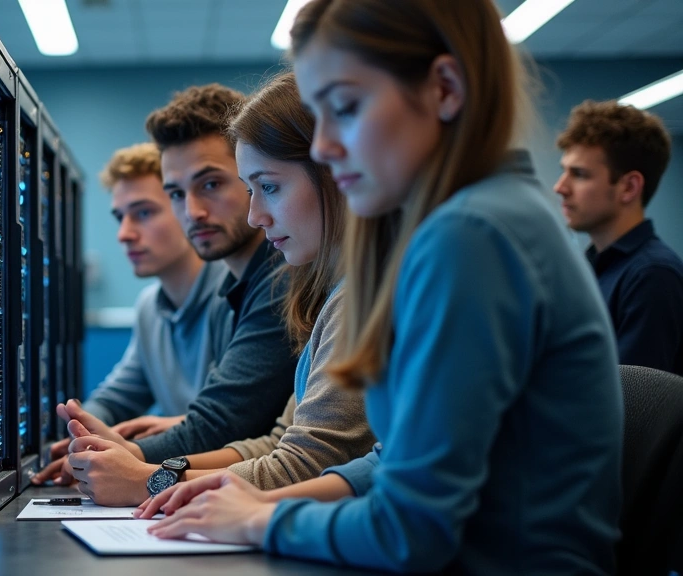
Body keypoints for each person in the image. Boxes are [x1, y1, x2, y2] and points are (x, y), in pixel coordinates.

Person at [138, 1, 623, 574]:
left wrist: (257, 520)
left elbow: (411, 529)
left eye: (345, 108)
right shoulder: (478, 220)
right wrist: (262, 499)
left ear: (444, 89)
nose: (323, 148)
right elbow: (397, 461)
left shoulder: (471, 235)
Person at [63, 73, 375, 506]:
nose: (255, 215)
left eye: (267, 187)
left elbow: (299, 459)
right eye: (175, 193)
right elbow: (279, 442)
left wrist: (146, 478)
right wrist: (147, 468)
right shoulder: (316, 291)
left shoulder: (346, 293)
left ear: (335, 172)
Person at [33, 84, 298, 483]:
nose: (192, 211)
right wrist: (91, 435)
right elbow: (265, 441)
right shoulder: (236, 286)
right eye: (176, 193)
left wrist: (136, 464)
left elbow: (227, 427)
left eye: (210, 184)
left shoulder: (281, 278)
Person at [33, 143, 230, 486]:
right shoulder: (149, 307)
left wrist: (125, 453)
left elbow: (231, 424)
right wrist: (81, 431)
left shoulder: (236, 296)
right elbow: (117, 398)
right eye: (120, 217)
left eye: (143, 213)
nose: (124, 234)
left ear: (184, 207)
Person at [554, 100, 683, 376]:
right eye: (563, 170)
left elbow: (635, 408)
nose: (560, 187)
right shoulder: (594, 268)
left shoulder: (651, 275)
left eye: (579, 174)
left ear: (629, 186)